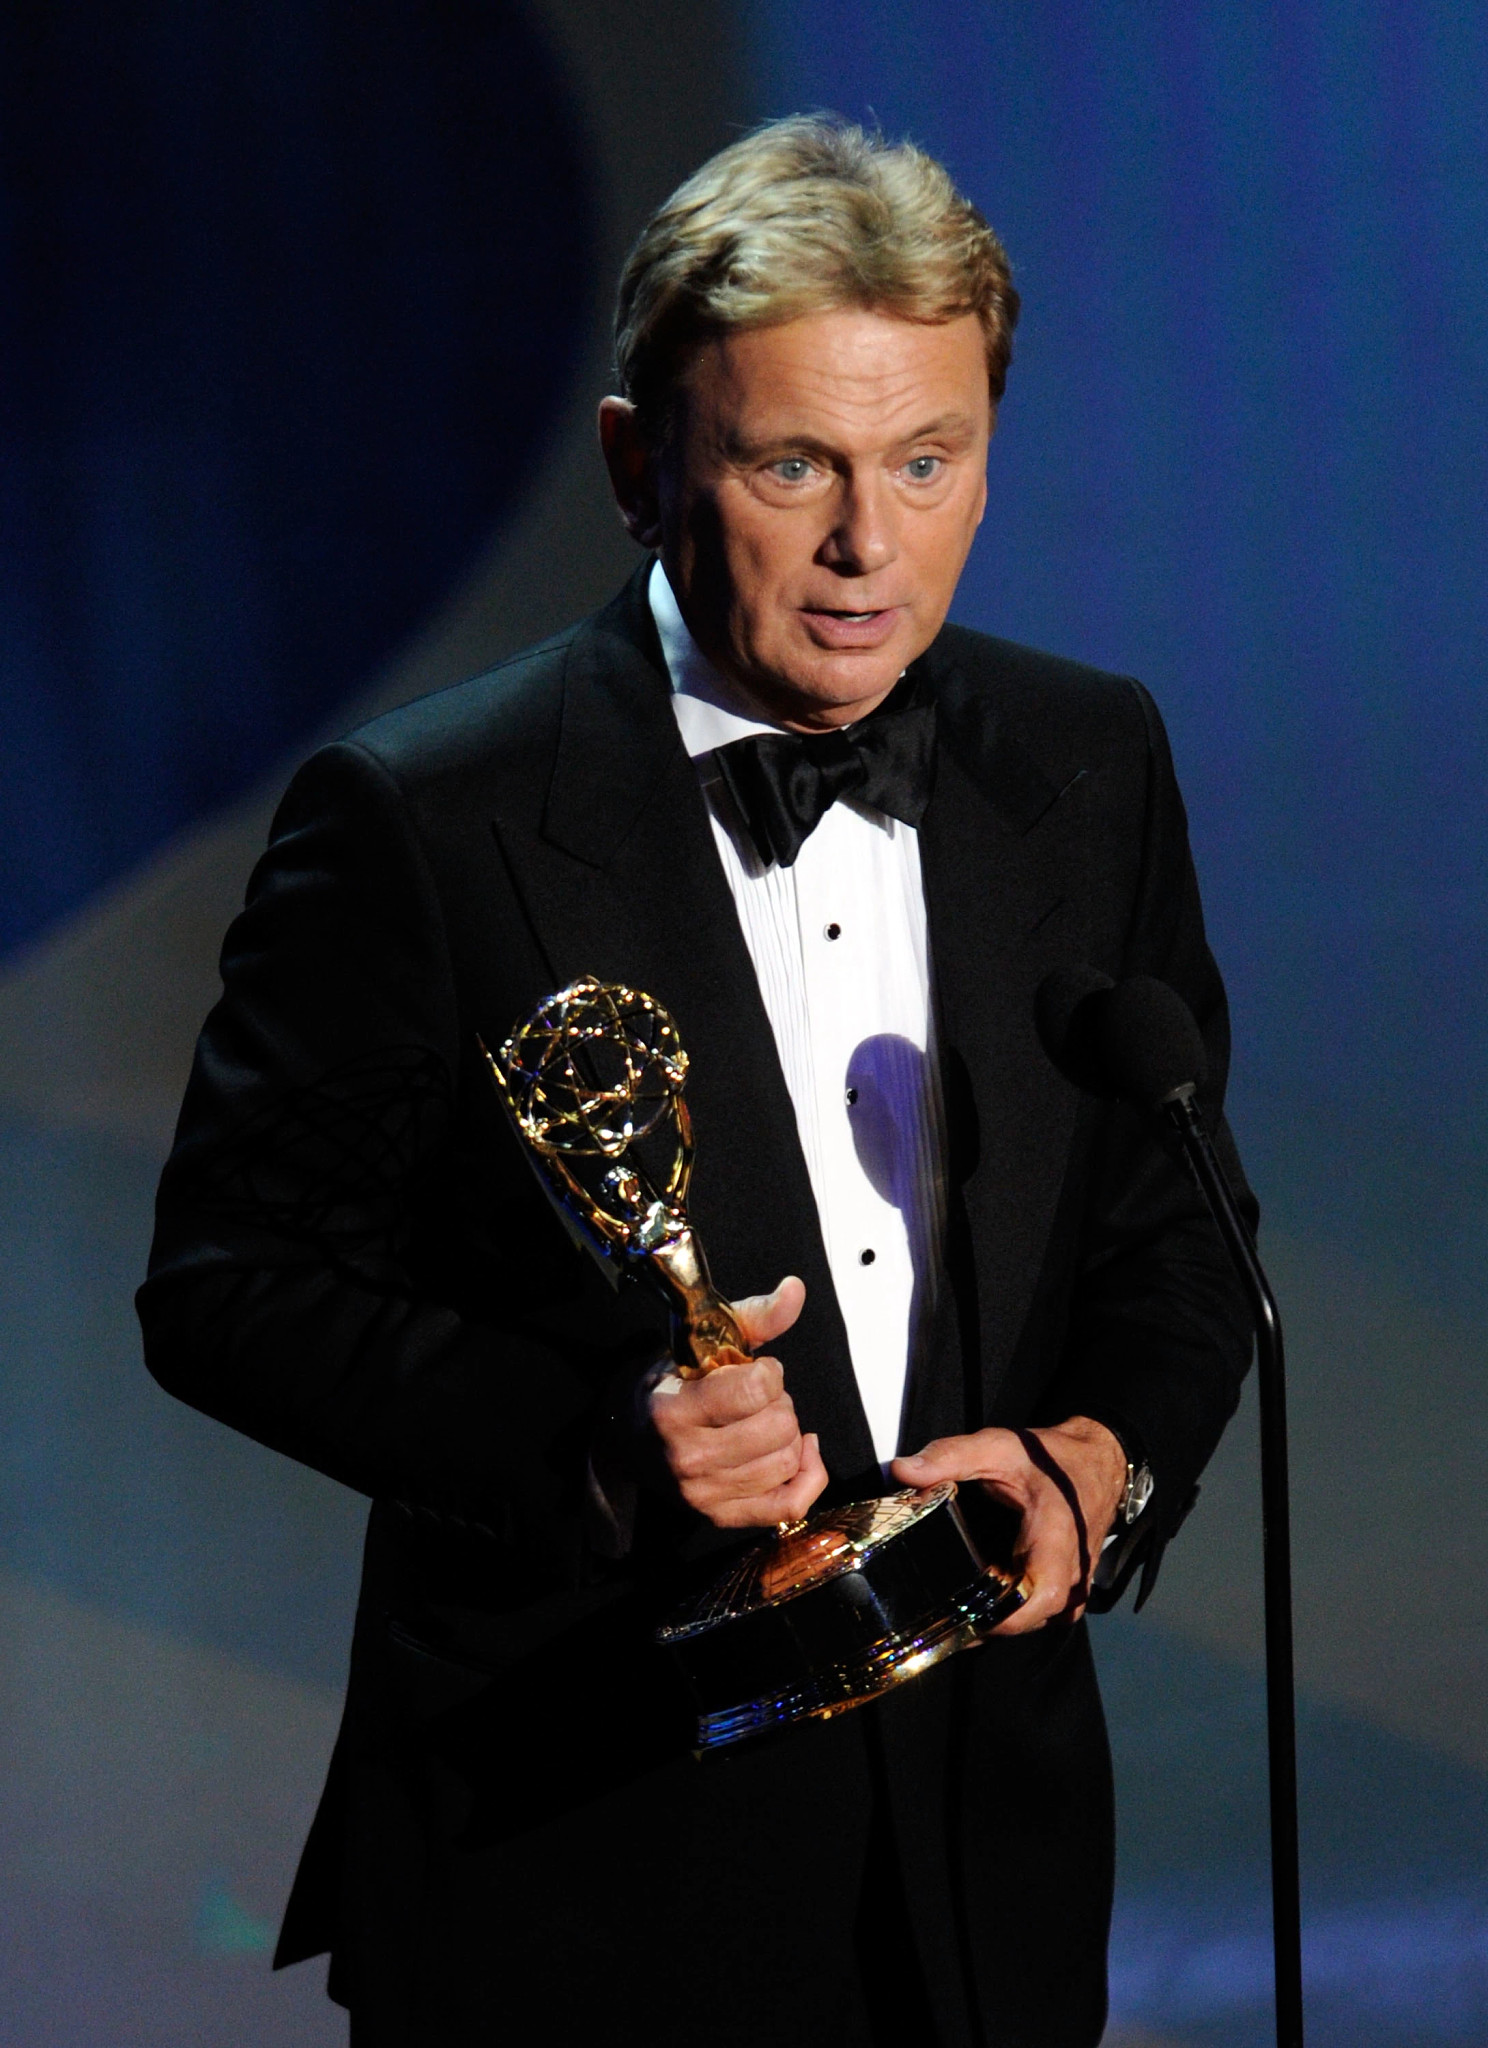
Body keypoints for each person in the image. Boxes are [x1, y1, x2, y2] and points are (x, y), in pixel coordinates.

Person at [138, 117, 1254, 2048]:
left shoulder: (1086, 762)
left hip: (983, 1868)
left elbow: (1180, 1225)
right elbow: (229, 1290)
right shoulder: (428, 818)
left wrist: (1105, 1469)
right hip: (585, 1874)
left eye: (928, 462)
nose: (869, 546)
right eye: (791, 465)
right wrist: (596, 1441)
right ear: (636, 463)